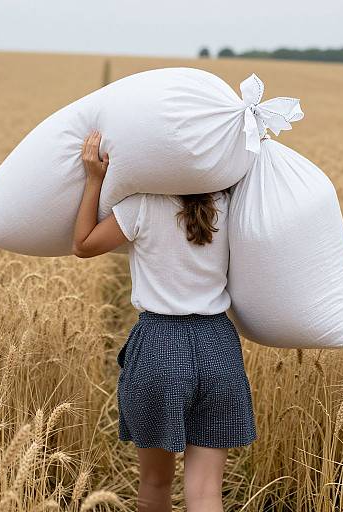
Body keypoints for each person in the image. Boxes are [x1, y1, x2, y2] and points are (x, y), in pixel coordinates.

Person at [73, 130, 257, 512]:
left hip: (159, 347)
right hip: (219, 348)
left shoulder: (141, 205)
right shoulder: (226, 203)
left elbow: (83, 245)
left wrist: (94, 180)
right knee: (206, 492)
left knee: (155, 484)